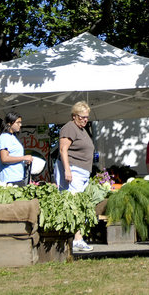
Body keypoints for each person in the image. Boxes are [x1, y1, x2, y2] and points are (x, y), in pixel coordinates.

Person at [55, 101, 96, 252]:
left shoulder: (81, 129)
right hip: (73, 171)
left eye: (87, 117)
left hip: (82, 172)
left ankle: (77, 239)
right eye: (82, 117)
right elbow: (63, 149)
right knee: (75, 205)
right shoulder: (69, 128)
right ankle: (76, 240)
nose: (85, 120)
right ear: (74, 116)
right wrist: (67, 170)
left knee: (80, 204)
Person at [0, 112, 32, 185]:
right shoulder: (5, 137)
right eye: (18, 122)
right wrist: (24, 158)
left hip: (17, 178)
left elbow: (14, 157)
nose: (20, 125)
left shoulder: (12, 137)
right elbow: (4, 159)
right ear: (9, 123)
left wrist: (24, 161)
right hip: (9, 180)